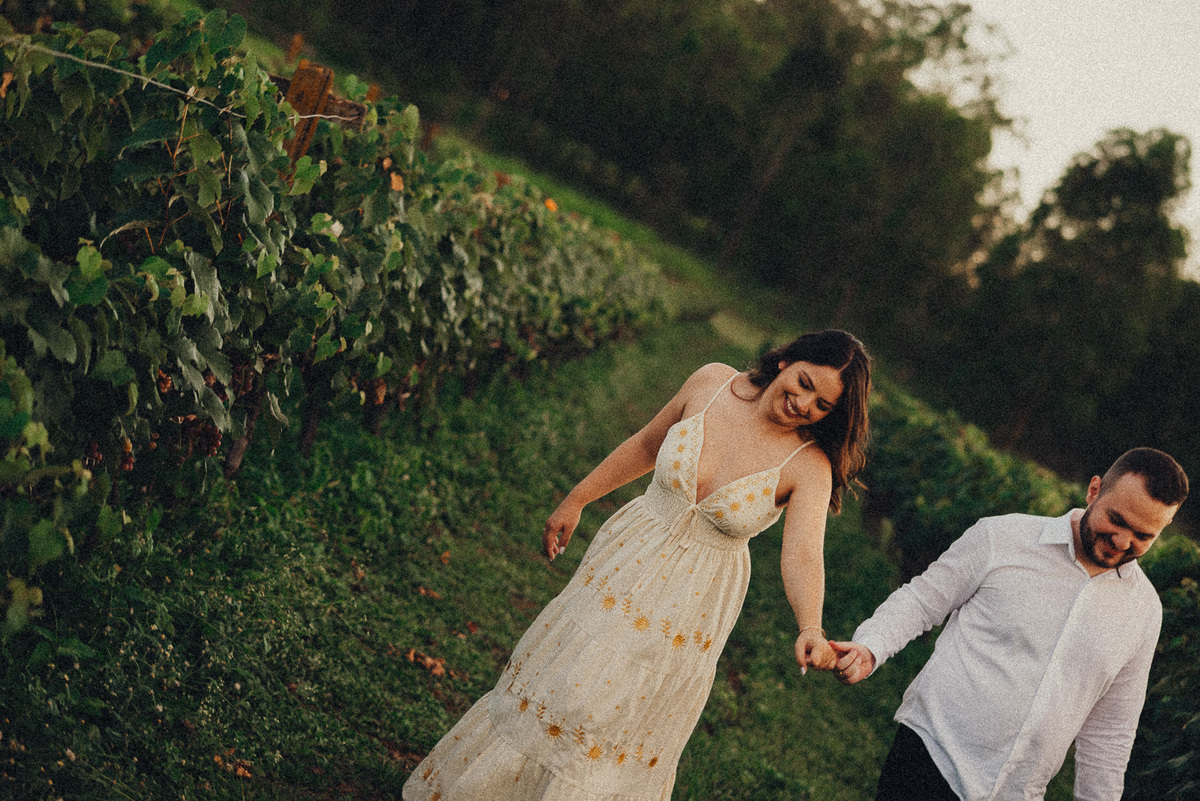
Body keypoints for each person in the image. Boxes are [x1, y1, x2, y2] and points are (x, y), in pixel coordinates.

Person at [402, 329, 872, 801]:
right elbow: (648, 446)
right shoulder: (711, 383)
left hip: (694, 602)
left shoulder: (809, 466)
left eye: (823, 405)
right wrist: (578, 497)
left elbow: (804, 554)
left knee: (615, 711)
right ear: (785, 362)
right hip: (629, 553)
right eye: (805, 382)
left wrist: (810, 625)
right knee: (568, 678)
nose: (804, 403)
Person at [829, 447, 1189, 801]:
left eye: (1143, 536)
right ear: (1094, 490)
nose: (1123, 541)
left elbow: (1110, 732)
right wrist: (871, 646)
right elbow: (922, 600)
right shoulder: (1002, 538)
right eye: (1118, 520)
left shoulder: (1144, 611)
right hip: (930, 755)